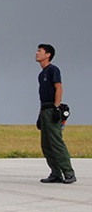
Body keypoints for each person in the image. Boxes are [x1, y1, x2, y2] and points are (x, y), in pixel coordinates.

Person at [35, 44, 75, 184]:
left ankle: (69, 173)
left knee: (56, 143)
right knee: (46, 144)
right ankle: (56, 173)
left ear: (48, 55)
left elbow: (59, 88)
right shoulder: (41, 74)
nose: (37, 53)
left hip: (52, 109)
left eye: (40, 51)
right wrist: (40, 115)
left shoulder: (53, 70)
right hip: (45, 109)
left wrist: (57, 108)